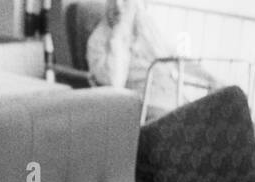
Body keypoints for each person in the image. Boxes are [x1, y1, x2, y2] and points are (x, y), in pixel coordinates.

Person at [86, 0, 215, 117]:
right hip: (145, 106)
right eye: (113, 0)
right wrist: (119, 36)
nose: (118, 5)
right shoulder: (98, 41)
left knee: (227, 102)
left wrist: (211, 79)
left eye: (125, 0)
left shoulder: (146, 29)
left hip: (174, 101)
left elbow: (175, 58)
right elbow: (115, 83)